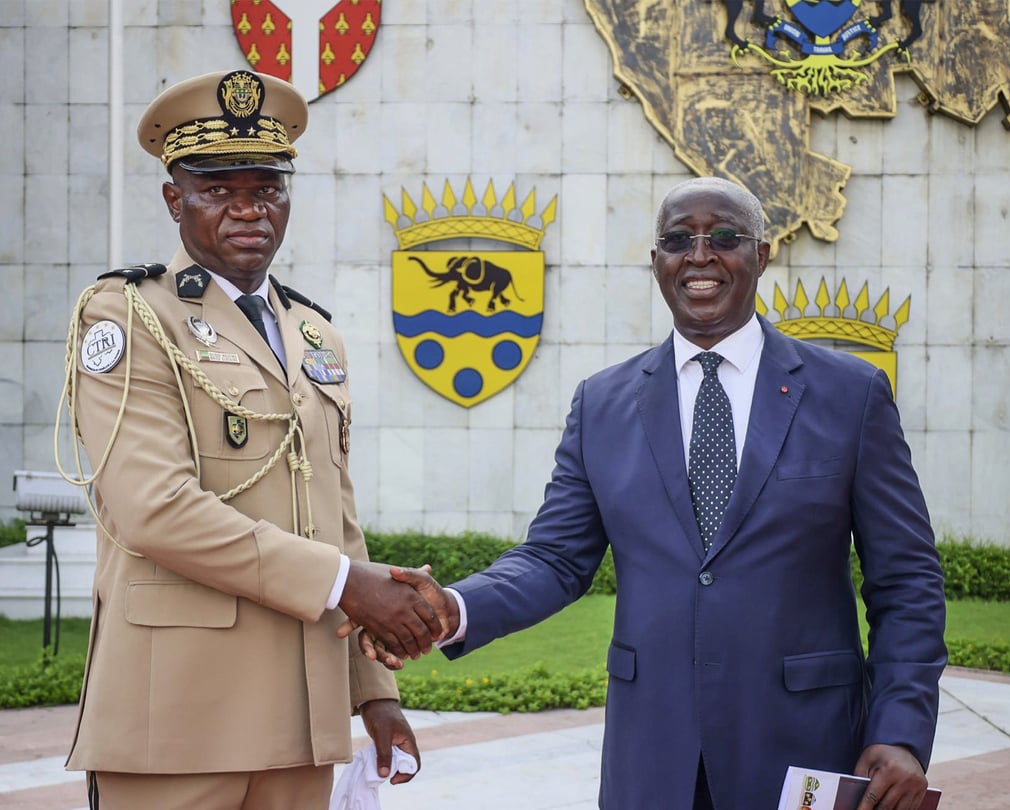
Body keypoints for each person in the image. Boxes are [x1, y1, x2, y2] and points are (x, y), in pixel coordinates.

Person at [367, 176, 947, 810]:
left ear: (762, 253)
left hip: (802, 749)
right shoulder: (604, 404)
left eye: (723, 236)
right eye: (678, 240)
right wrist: (454, 608)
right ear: (657, 262)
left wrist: (901, 733)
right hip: (653, 759)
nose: (700, 255)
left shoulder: (849, 394)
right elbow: (555, 560)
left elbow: (907, 580)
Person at [58, 69, 448, 810]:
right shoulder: (128, 318)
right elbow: (156, 509)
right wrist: (343, 585)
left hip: (300, 726)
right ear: (175, 200)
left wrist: (375, 697)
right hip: (173, 720)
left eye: (266, 189)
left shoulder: (313, 331)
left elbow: (337, 516)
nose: (247, 210)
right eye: (219, 190)